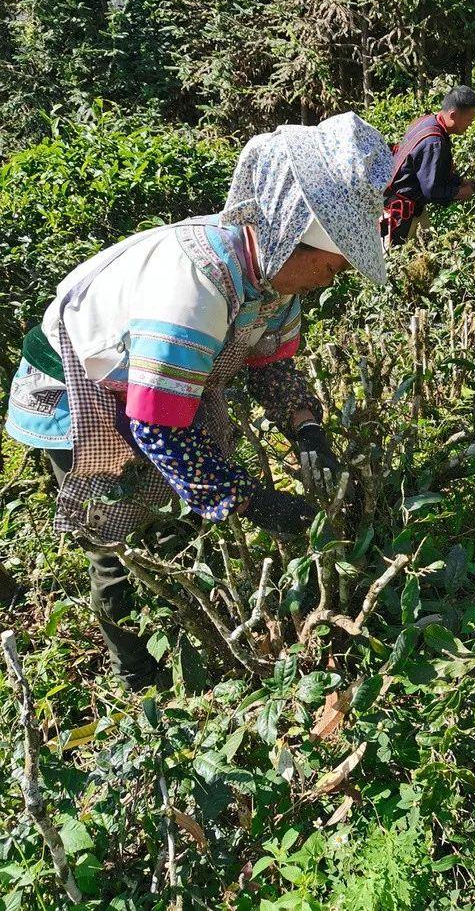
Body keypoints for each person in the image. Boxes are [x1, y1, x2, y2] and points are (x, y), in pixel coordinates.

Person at [6, 112, 393, 690]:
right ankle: (137, 676)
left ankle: (189, 637)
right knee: (116, 541)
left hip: (159, 389)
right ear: (293, 232)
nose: (331, 278)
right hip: (75, 389)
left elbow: (272, 366)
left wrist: (309, 432)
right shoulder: (195, 279)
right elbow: (159, 429)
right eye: (333, 264)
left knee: (176, 519)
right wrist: (252, 500)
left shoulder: (276, 278)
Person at [382, 84, 475, 247]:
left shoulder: (427, 121)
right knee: (398, 263)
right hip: (402, 214)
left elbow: (426, 170)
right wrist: (459, 193)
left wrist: (460, 181)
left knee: (429, 252)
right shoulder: (434, 143)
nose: (471, 124)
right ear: (453, 115)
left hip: (409, 206)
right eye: (469, 119)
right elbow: (432, 190)